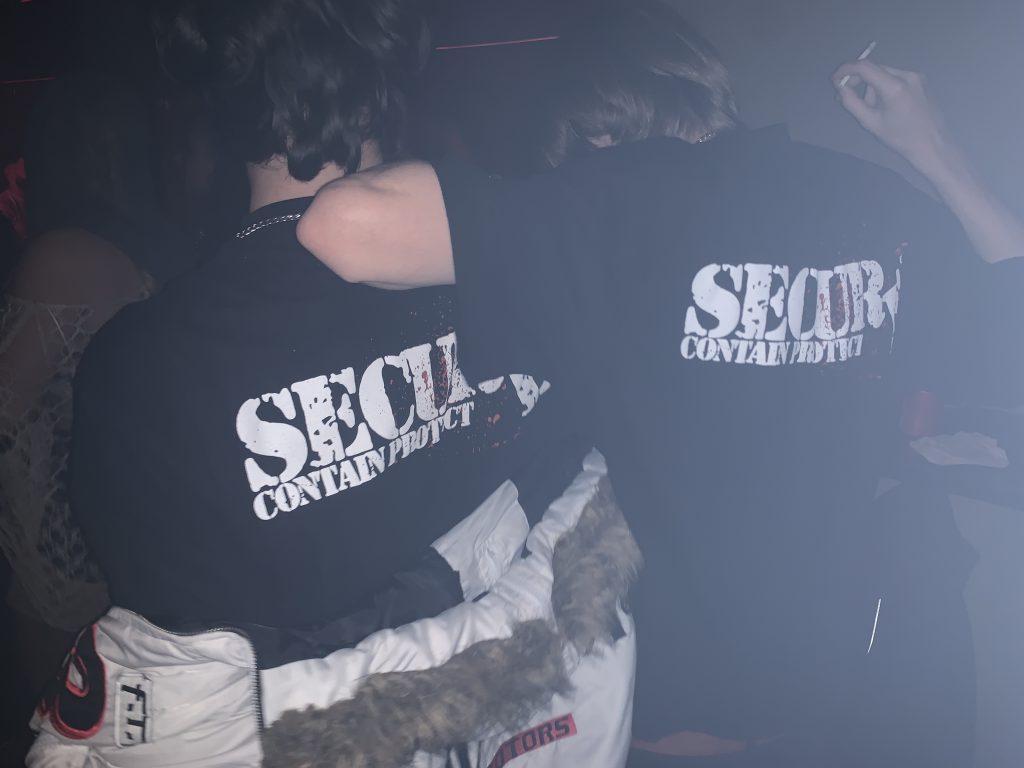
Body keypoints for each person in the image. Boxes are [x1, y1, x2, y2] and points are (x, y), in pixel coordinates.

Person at [297, 2, 1024, 765]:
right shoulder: (862, 197)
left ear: (597, 129)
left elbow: (339, 227)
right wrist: (932, 145)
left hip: (674, 718)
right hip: (833, 704)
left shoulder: (617, 205)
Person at [28, 2, 638, 766]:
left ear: (217, 107)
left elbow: (165, 629)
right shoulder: (527, 278)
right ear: (387, 81)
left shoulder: (142, 370)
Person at [0, 72, 199, 701]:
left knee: (63, 723)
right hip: (144, 534)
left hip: (66, 552)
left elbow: (5, 408)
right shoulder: (174, 249)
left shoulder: (62, 257)